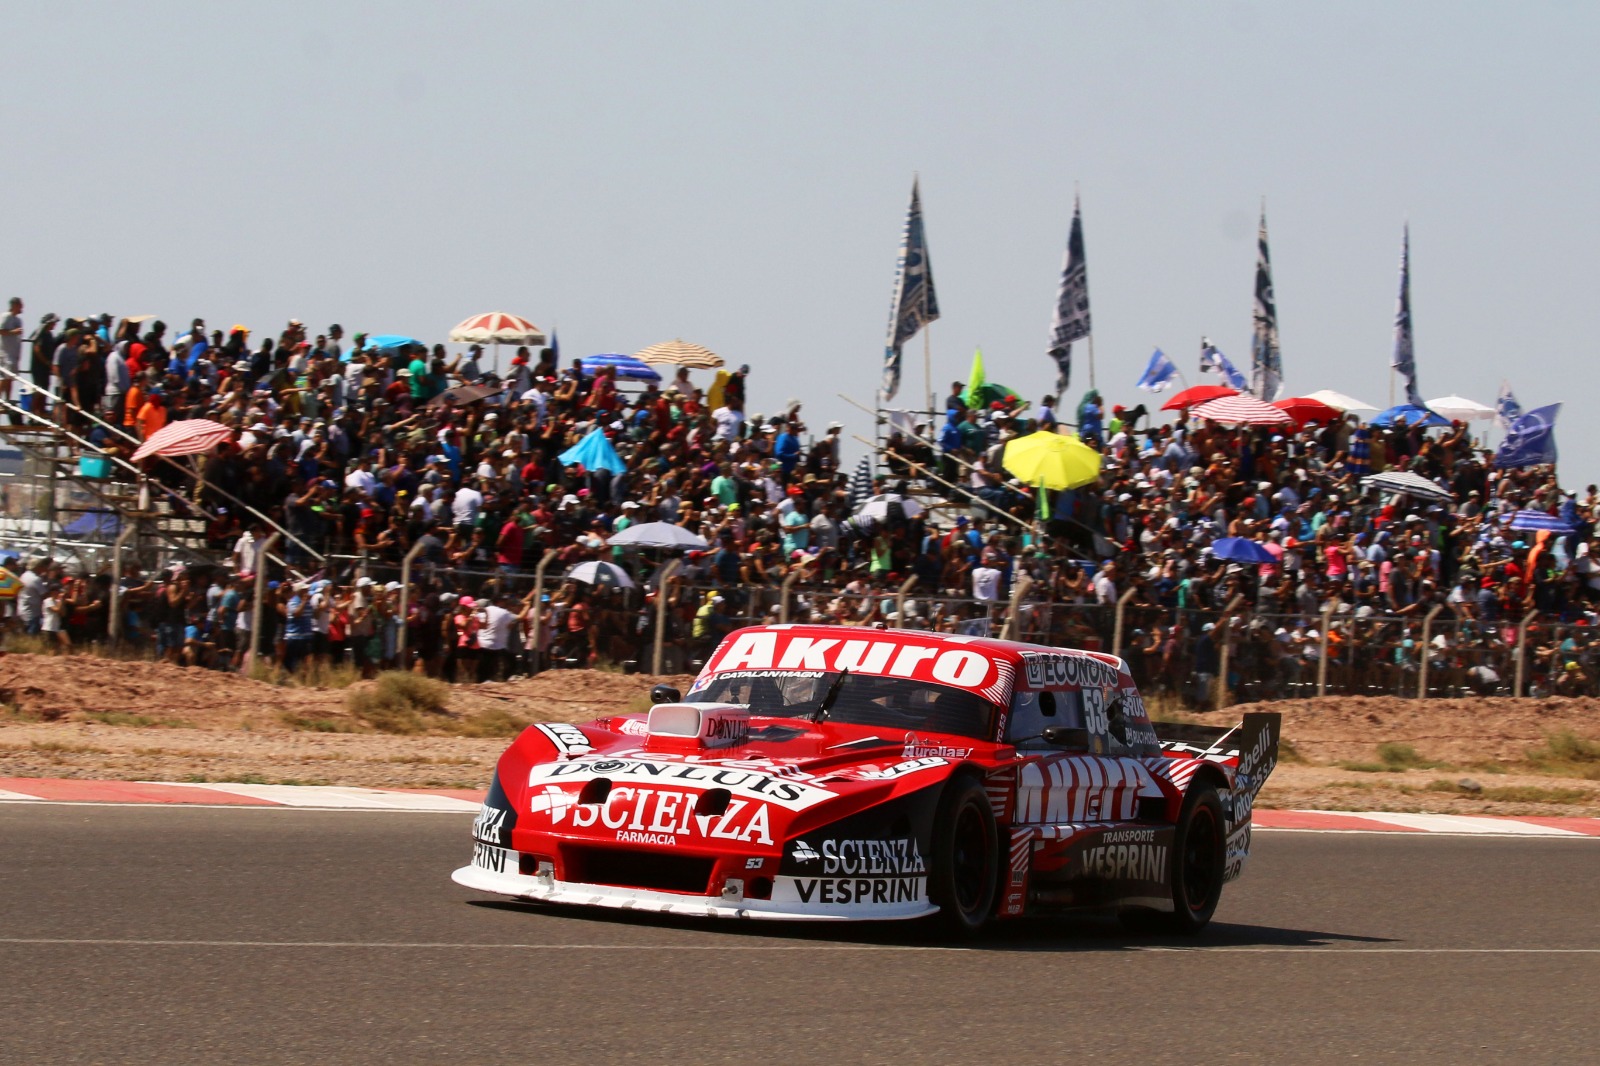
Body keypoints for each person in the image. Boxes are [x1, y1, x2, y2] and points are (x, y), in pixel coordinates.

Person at [0, 297, 22, 412]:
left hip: (14, 353)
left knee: (10, 379)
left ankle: (7, 400)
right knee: (4, 378)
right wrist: (13, 332)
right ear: (14, 305)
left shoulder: (18, 320)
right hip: (5, 353)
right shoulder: (6, 316)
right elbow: (1, 330)